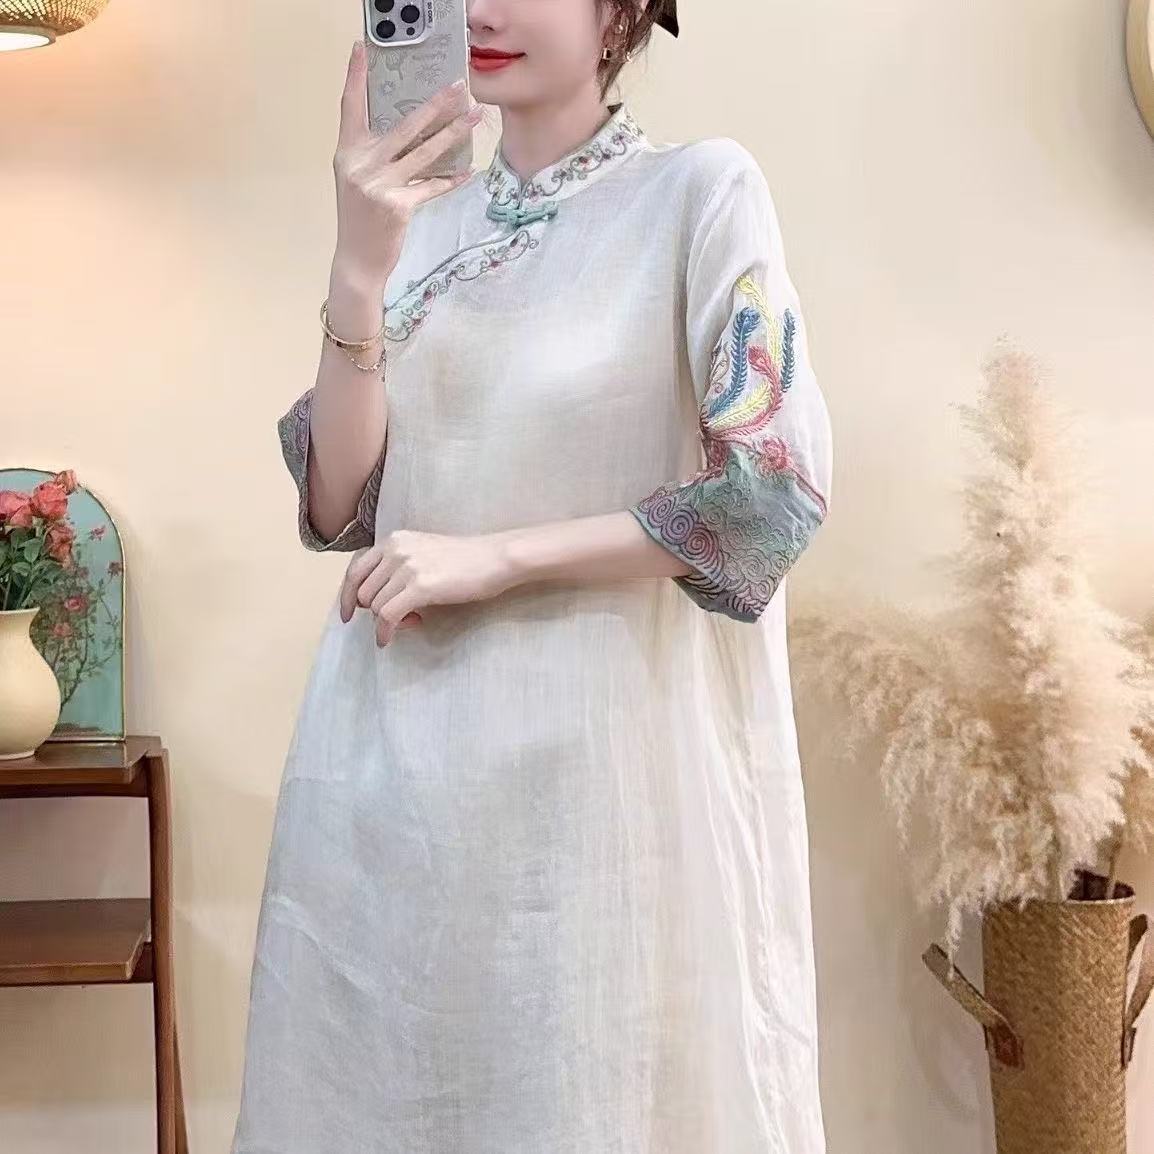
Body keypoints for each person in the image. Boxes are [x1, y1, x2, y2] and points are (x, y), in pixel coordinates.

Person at [230, 0, 833, 1150]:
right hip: (384, 779)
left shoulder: (695, 194)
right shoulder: (419, 218)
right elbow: (340, 501)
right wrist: (357, 267)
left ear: (624, 12)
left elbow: (768, 495)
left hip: (591, 788)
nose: (484, 10)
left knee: (584, 1100)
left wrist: (492, 558)